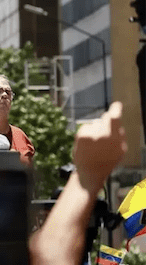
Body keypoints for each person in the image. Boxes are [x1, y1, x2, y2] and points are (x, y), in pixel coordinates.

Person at [30, 102, 125, 265]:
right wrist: (88, 173)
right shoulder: (61, 195)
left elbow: (111, 222)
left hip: (83, 252)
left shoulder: (97, 202)